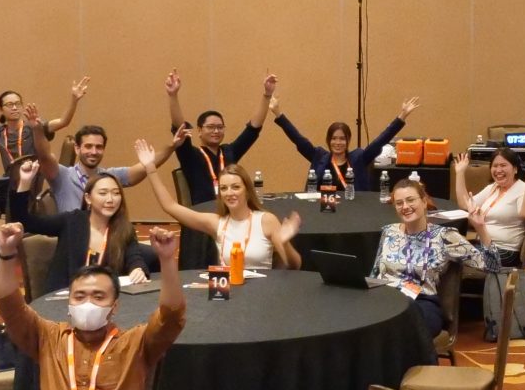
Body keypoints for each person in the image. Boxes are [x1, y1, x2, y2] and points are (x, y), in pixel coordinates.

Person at [0, 220, 186, 390]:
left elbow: (171, 316)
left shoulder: (135, 343)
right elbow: (10, 306)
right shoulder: (48, 338)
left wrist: (167, 260)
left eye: (98, 297)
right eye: (79, 296)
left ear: (114, 307)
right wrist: (6, 253)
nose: (88, 303)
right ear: (69, 304)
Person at [138, 138, 301, 272]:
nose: (229, 193)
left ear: (247, 190)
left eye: (235, 187)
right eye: (224, 188)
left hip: (262, 292)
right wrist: (150, 168)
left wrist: (285, 243)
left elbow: (295, 265)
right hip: (229, 292)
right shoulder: (216, 223)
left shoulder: (266, 220)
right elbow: (170, 206)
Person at [370, 173, 498, 340]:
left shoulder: (444, 237)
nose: (405, 206)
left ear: (424, 202)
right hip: (387, 299)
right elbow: (375, 272)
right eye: (399, 203)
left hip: (421, 301)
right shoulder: (389, 231)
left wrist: (481, 228)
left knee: (403, 325)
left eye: (410, 200)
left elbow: (492, 265)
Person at [16, 166, 162, 281]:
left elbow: (135, 258)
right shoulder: (72, 221)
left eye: (116, 193)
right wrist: (24, 183)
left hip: (104, 299)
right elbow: (26, 222)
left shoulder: (124, 228)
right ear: (88, 198)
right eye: (103, 193)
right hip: (66, 296)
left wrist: (138, 269)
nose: (110, 199)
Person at [275, 84, 417, 195]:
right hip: (323, 210)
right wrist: (278, 113)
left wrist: (402, 117)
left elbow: (381, 140)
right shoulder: (318, 156)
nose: (338, 143)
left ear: (348, 140)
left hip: (353, 211)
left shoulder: (359, 158)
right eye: (334, 139)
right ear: (328, 140)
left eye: (342, 139)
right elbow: (298, 139)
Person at [165, 69, 273, 196]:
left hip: (231, 205)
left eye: (220, 127)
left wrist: (267, 95)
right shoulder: (191, 155)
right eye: (211, 127)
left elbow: (253, 130)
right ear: (199, 130)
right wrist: (173, 96)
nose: (216, 131)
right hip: (205, 208)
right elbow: (180, 129)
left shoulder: (229, 151)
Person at [38, 119, 161, 214]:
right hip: (74, 236)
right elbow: (44, 156)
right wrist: (36, 130)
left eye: (99, 147)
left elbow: (141, 168)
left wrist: (170, 146)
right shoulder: (64, 176)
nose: (94, 152)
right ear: (77, 148)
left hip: (104, 234)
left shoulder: (108, 176)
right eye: (88, 146)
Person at [452, 146, 525, 266]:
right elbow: (465, 204)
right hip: (483, 245)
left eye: (503, 165)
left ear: (515, 169)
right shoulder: (494, 187)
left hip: (504, 251)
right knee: (446, 249)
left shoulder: (522, 189)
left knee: (453, 258)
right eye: (495, 166)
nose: (498, 170)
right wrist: (460, 173)